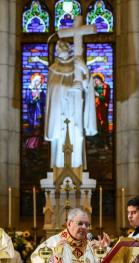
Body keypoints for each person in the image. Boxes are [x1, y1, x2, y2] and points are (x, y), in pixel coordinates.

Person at [44, 39, 97, 169]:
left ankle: (76, 166)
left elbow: (87, 88)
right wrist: (70, 88)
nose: (60, 48)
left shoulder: (78, 66)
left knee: (78, 135)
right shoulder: (53, 69)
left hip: (75, 110)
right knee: (60, 139)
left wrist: (84, 70)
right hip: (60, 113)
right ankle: (59, 167)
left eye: (62, 45)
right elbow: (53, 90)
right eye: (58, 47)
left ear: (69, 48)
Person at [31, 208, 110, 263]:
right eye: (80, 223)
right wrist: (56, 256)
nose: (84, 227)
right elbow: (37, 260)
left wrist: (104, 250)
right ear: (69, 223)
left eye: (87, 224)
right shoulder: (53, 242)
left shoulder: (92, 244)